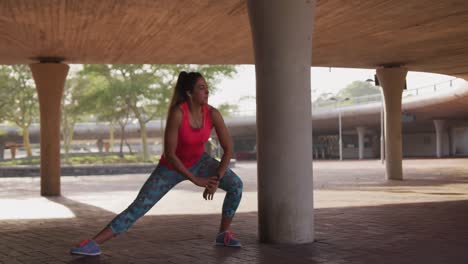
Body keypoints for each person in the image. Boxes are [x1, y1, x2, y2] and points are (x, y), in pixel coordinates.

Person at [70, 71, 244, 256]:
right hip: (171, 166)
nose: (206, 91)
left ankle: (223, 234)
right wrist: (196, 180)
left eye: (207, 88)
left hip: (200, 161)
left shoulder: (212, 113)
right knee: (140, 205)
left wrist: (216, 178)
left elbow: (228, 148)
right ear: (189, 93)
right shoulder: (178, 113)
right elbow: (170, 154)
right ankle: (92, 244)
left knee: (236, 185)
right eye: (201, 88)